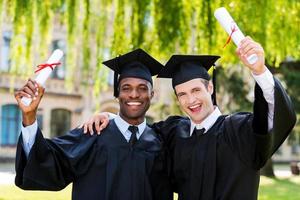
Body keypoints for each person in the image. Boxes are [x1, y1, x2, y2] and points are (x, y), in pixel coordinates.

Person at [81, 37, 296, 200]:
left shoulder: (239, 130)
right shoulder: (174, 132)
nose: (190, 100)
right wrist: (110, 115)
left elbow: (273, 116)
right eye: (182, 94)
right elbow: (138, 129)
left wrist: (259, 72)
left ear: (210, 88)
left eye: (196, 90)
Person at [14, 49, 173, 200]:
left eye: (142, 88)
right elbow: (48, 161)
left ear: (152, 94)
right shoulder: (91, 134)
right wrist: (29, 116)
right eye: (126, 88)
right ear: (117, 94)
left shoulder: (161, 142)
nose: (134, 94)